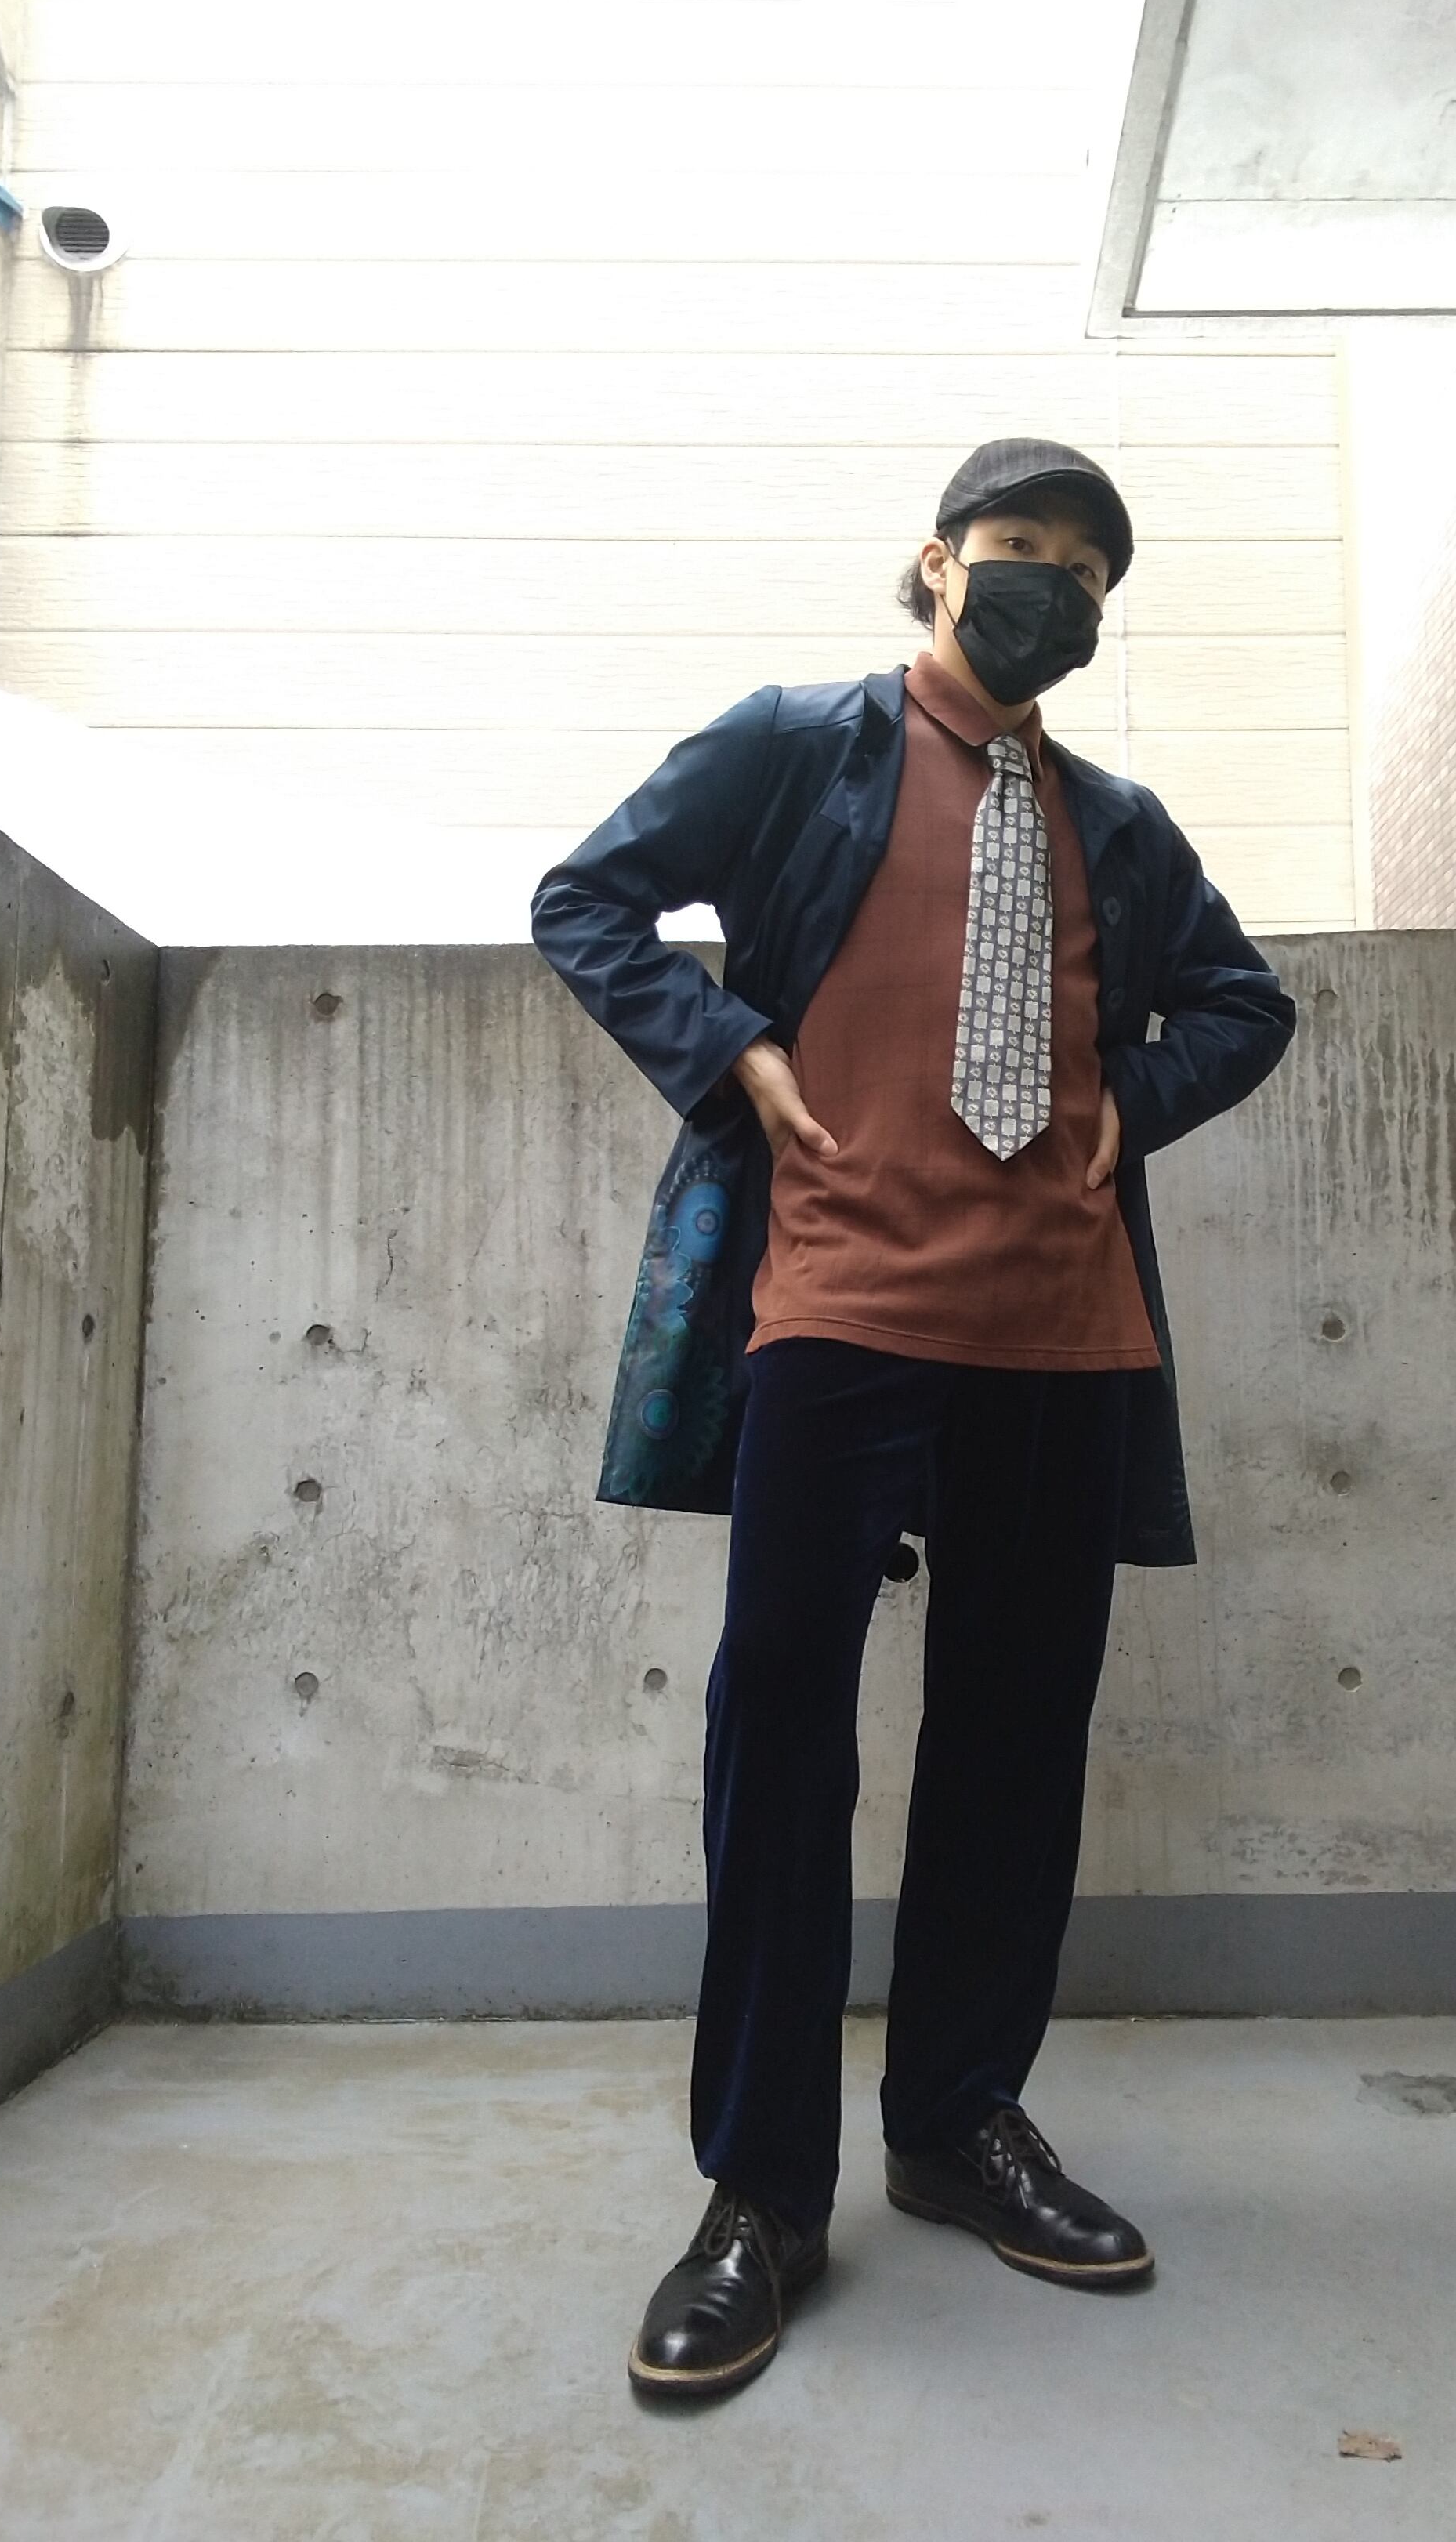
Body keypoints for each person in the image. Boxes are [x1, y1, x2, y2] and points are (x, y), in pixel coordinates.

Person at [529, 439, 1297, 2399]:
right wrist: (732, 1047)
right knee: (781, 1733)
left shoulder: (1118, 823)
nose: (1049, 585)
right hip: (842, 1308)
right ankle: (760, 2195)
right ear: (938, 563)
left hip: (1064, 1334)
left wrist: (1135, 1100)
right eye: (1018, 547)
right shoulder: (799, 746)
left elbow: (1246, 1003)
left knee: (1017, 1741)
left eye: (1084, 570)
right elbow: (587, 898)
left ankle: (957, 2125)